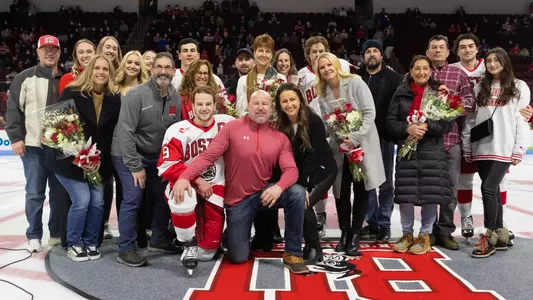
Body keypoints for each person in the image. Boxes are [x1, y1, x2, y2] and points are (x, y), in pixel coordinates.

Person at [172, 90, 310, 274]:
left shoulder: (279, 136)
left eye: (265, 104)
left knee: (297, 193)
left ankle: (293, 253)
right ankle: (231, 235)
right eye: (256, 103)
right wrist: (184, 178)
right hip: (238, 199)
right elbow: (207, 156)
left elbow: (291, 170)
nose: (260, 108)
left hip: (265, 194)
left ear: (271, 108)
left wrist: (278, 187)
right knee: (238, 257)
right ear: (248, 106)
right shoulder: (232, 128)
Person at [451, 33, 532, 245]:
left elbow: (521, 120)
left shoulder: (519, 86)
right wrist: (468, 147)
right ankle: (499, 232)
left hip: (503, 147)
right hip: (481, 147)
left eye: (497, 60)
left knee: (488, 188)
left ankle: (489, 233)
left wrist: (519, 149)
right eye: (489, 61)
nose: (493, 64)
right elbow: (470, 119)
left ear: (505, 62)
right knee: (491, 189)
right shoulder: (479, 87)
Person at [45, 55, 121, 261]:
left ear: (110, 73)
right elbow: (53, 127)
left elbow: (110, 135)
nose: (101, 72)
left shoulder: (115, 98)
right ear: (90, 70)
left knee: (97, 201)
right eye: (97, 68)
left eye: (106, 69)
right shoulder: (72, 92)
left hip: (96, 163)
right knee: (82, 199)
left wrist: (95, 159)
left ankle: (90, 242)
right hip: (67, 162)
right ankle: (74, 243)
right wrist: (75, 157)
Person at [112, 52, 182, 267]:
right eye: (158, 66)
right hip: (127, 153)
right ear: (151, 69)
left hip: (155, 156)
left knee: (164, 194)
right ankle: (126, 248)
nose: (163, 71)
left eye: (167, 67)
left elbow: (173, 131)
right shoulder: (136, 95)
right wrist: (135, 166)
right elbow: (126, 132)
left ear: (173, 70)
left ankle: (159, 239)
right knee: (133, 196)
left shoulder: (175, 96)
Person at [157, 85, 234, 274]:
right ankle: (187, 243)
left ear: (216, 104)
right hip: (187, 182)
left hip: (217, 183)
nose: (204, 108)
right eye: (200, 104)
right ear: (192, 106)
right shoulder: (178, 129)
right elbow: (166, 165)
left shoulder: (227, 124)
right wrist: (197, 180)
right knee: (182, 198)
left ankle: (195, 233)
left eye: (208, 103)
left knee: (207, 253)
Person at [315, 53, 385, 256]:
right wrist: (339, 139)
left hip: (362, 145)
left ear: (336, 65)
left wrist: (354, 138)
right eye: (322, 67)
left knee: (361, 189)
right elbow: (328, 121)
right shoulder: (323, 93)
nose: (327, 69)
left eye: (329, 64)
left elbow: (369, 113)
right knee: (341, 191)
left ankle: (355, 235)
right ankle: (344, 233)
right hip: (340, 148)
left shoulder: (355, 83)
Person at [5, 35, 68, 252]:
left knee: (59, 193)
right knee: (35, 192)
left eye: (54, 49)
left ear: (59, 52)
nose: (49, 53)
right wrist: (16, 137)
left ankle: (56, 233)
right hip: (33, 147)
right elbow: (13, 109)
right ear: (37, 52)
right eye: (45, 49)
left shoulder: (68, 78)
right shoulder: (24, 78)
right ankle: (34, 234)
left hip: (61, 147)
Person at [386, 55, 453, 255]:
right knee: (406, 193)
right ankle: (407, 233)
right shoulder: (401, 92)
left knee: (430, 193)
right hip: (408, 151)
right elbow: (390, 122)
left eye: (425, 68)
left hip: (432, 150)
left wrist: (427, 126)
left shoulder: (439, 93)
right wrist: (408, 129)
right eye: (417, 68)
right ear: (411, 71)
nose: (421, 72)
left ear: (431, 71)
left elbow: (446, 124)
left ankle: (425, 234)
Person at [297, 36, 358, 236]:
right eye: (313, 51)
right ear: (307, 54)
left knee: (341, 175)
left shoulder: (339, 67)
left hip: (338, 128)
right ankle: (320, 215)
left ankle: (353, 222)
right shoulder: (302, 75)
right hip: (312, 128)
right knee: (316, 172)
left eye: (321, 50)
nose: (317, 54)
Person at [274, 83, 337, 264]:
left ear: (300, 100)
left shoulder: (313, 121)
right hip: (301, 173)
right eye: (284, 101)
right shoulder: (281, 123)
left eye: (292, 99)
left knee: (303, 202)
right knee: (298, 201)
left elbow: (313, 157)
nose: (289, 105)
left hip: (323, 170)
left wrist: (306, 186)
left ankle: (315, 248)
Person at [425, 35, 474, 250]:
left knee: (450, 187)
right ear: (427, 52)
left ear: (447, 53)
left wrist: (452, 104)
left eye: (441, 48)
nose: (437, 51)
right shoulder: (420, 72)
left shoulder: (458, 74)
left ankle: (444, 231)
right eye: (433, 47)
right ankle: (428, 230)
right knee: (427, 188)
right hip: (425, 141)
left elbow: (471, 102)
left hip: (451, 140)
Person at [357, 39, 402, 244]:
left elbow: (398, 108)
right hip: (360, 138)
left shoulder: (393, 78)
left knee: (385, 184)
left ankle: (384, 224)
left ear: (382, 55)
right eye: (368, 51)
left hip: (384, 138)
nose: (372, 54)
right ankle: (371, 222)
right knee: (367, 182)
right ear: (363, 56)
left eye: (376, 51)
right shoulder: (357, 77)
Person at [106, 50, 150, 243]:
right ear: (123, 64)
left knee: (140, 192)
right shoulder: (114, 88)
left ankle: (140, 232)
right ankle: (127, 235)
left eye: (137, 63)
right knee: (124, 192)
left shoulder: (147, 88)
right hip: (118, 146)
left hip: (141, 147)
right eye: (129, 62)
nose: (133, 66)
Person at [235, 34, 287, 115]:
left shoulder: (281, 79)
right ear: (254, 53)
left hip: (273, 125)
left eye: (267, 51)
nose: (264, 55)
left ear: (272, 55)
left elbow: (283, 108)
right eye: (260, 50)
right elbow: (240, 110)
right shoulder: (243, 80)